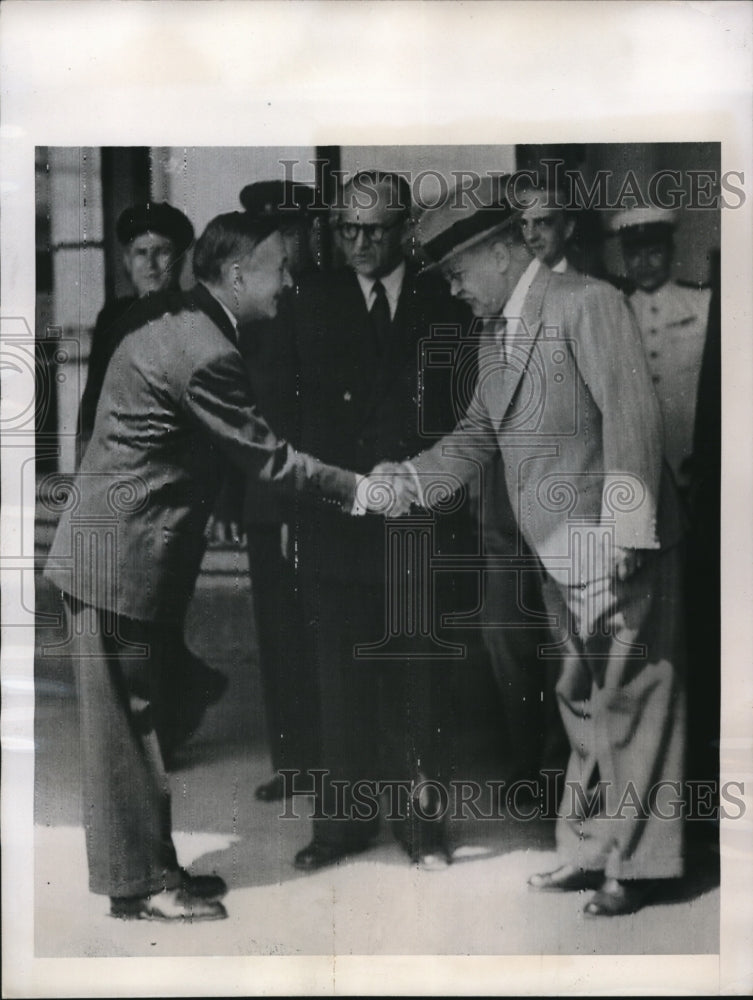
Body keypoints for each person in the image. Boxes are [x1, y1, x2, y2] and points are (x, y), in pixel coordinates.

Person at [369, 176, 686, 917]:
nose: (454, 290)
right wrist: (406, 479)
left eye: (457, 273)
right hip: (557, 549)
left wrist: (626, 533)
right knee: (579, 701)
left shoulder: (587, 303)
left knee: (633, 700)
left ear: (503, 252)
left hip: (611, 543)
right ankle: (584, 851)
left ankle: (637, 866)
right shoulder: (494, 336)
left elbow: (631, 417)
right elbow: (477, 436)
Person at [44, 212, 361, 922]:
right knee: (126, 731)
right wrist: (362, 488)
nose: (288, 282)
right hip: (115, 559)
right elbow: (269, 457)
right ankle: (145, 885)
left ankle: (148, 871)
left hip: (115, 552)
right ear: (238, 274)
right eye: (279, 269)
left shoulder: (188, 323)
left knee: (140, 718)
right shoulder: (204, 349)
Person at [289, 171, 480, 872]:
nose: (360, 242)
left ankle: (422, 828)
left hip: (416, 521)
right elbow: (288, 413)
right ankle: (341, 825)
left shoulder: (445, 304)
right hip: (336, 519)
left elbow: (463, 418)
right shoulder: (311, 300)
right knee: (337, 678)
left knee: (416, 680)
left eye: (373, 229)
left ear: (404, 230)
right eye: (347, 230)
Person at [76, 201, 227, 768]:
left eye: (162, 252)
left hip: (171, 489)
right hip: (115, 484)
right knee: (130, 612)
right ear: (125, 260)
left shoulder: (191, 320)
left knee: (157, 608)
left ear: (181, 258)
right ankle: (185, 695)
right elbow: (94, 402)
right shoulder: (113, 315)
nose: (151, 263)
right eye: (140, 253)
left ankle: (171, 717)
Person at [236, 180, 323, 802]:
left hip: (313, 493)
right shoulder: (247, 306)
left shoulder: (325, 298)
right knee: (278, 631)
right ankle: (294, 761)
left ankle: (333, 758)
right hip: (264, 499)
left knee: (323, 629)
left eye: (288, 230)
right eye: (268, 231)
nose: (281, 244)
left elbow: (314, 413)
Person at [611, 206, 712, 496]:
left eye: (654, 251)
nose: (644, 263)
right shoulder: (617, 311)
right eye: (634, 254)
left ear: (671, 251)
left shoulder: (704, 305)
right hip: (640, 463)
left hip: (695, 458)